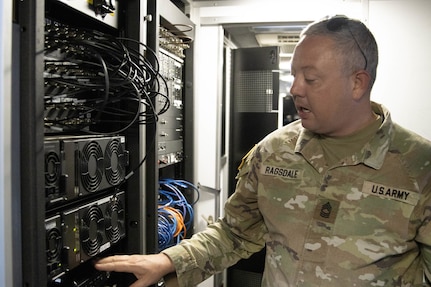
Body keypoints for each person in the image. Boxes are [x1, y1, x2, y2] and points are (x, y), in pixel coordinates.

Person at [95, 15, 431, 287]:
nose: (296, 89)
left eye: (311, 79)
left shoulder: (420, 166)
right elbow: (235, 232)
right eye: (295, 75)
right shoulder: (275, 151)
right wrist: (168, 260)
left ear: (357, 82)